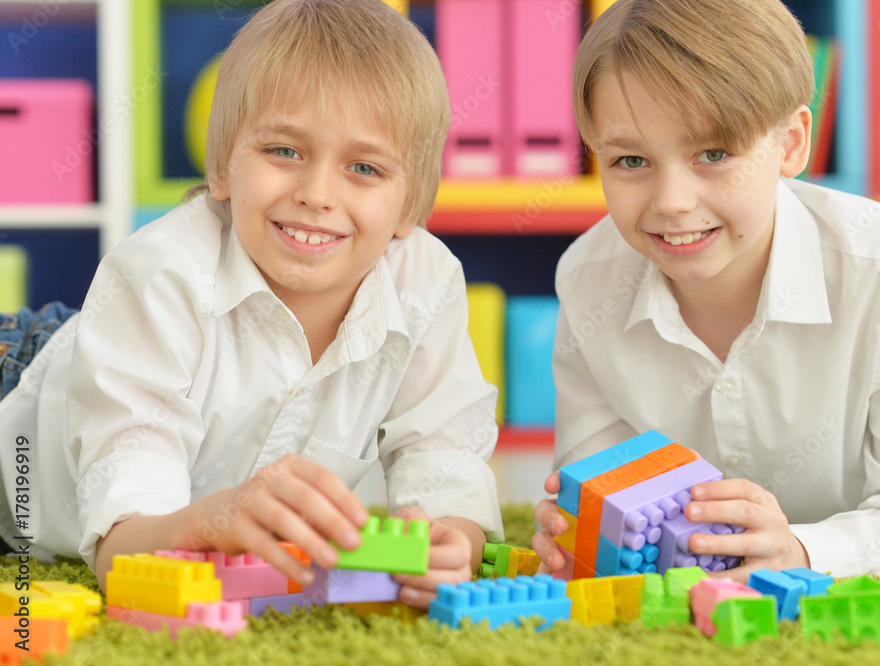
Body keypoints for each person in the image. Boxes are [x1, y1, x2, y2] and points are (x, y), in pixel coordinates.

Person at [0, 0, 503, 608]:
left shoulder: (426, 283)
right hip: (20, 386)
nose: (317, 194)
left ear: (411, 208)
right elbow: (125, 554)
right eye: (283, 151)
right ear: (223, 168)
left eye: (364, 167)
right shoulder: (161, 275)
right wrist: (206, 523)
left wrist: (454, 536)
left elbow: (442, 447)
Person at [531, 0, 880, 580]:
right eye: (631, 159)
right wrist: (577, 527)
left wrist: (801, 552)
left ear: (790, 144)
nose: (672, 201)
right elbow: (596, 478)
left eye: (714, 153)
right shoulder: (588, 279)